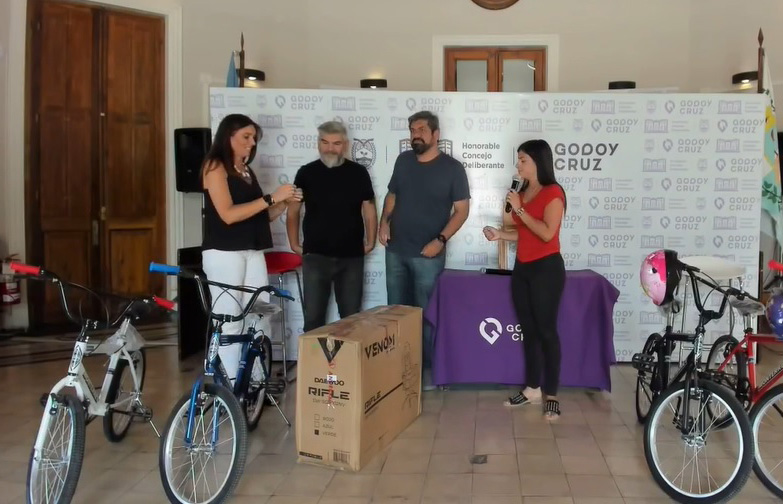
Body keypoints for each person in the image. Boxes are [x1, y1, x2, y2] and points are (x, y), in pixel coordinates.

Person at [201, 113, 301, 384]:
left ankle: (255, 382)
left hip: (253, 250)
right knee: (230, 320)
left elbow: (260, 216)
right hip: (224, 253)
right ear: (228, 136)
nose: (252, 143)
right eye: (246, 136)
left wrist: (284, 203)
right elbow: (228, 214)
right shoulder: (214, 166)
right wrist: (270, 197)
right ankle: (232, 386)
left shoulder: (246, 170)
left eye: (254, 138)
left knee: (259, 314)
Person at [379, 110, 470, 383]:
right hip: (395, 251)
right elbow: (392, 195)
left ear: (435, 134)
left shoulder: (453, 169)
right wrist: (384, 223)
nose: (415, 135)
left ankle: (427, 373)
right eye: (412, 130)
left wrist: (440, 241)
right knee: (396, 313)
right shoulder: (403, 161)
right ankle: (398, 371)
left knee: (427, 315)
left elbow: (462, 211)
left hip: (428, 256)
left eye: (421, 130)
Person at [483, 139, 567, 420]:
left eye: (523, 160)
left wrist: (519, 209)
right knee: (528, 331)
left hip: (547, 269)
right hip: (523, 269)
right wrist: (501, 234)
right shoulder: (523, 192)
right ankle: (532, 388)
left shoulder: (553, 192)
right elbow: (522, 231)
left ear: (538, 162)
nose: (518, 165)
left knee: (546, 332)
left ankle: (551, 394)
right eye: (518, 160)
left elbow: (546, 233)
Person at [286, 121, 377, 331]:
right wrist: (293, 242)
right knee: (313, 319)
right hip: (315, 256)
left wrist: (371, 241)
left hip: (351, 257)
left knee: (351, 319)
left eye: (336, 143)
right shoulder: (306, 173)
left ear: (345, 144)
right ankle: (313, 355)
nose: (330, 148)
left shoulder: (359, 172)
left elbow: (369, 208)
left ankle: (348, 355)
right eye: (325, 142)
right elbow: (293, 210)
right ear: (318, 143)